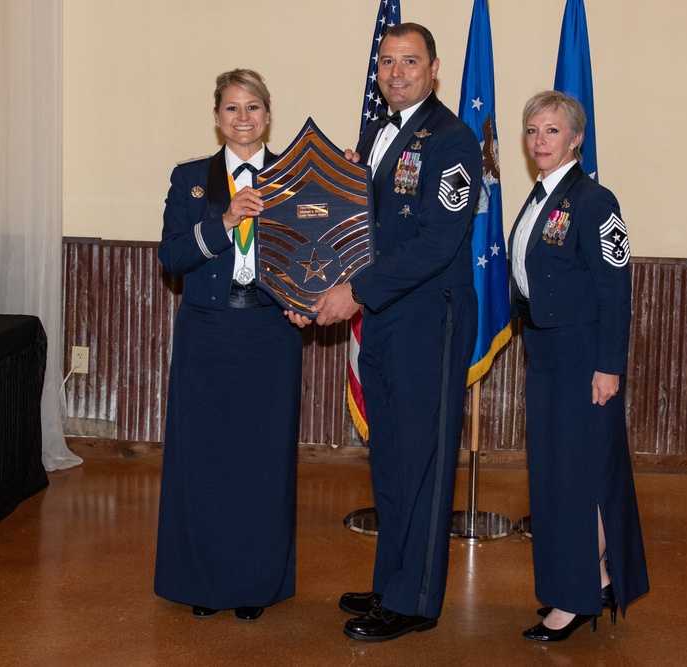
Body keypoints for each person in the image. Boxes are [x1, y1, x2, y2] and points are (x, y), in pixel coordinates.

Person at [311, 23, 482, 642]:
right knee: (388, 456)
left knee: (424, 460)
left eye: (410, 61)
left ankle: (415, 600)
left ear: (435, 69)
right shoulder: (377, 134)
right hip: (384, 315)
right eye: (387, 61)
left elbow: (438, 241)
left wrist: (353, 292)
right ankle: (391, 580)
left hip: (427, 316)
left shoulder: (453, 141)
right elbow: (360, 226)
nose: (397, 72)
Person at [154, 69, 308, 623]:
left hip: (271, 333)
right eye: (231, 109)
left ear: (268, 115)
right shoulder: (191, 177)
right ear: (217, 117)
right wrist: (223, 222)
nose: (242, 118)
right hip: (208, 333)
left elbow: (313, 257)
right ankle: (204, 581)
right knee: (205, 461)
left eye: (253, 108)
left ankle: (255, 585)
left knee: (264, 463)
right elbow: (172, 257)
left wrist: (307, 300)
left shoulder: (294, 176)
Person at [509, 90, 649, 642]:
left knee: (580, 476)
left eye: (551, 131)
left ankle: (576, 597)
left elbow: (616, 292)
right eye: (532, 131)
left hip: (583, 359)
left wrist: (609, 366)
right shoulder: (540, 197)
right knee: (557, 476)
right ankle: (595, 578)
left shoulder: (595, 201)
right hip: (545, 355)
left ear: (576, 138)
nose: (540, 141)